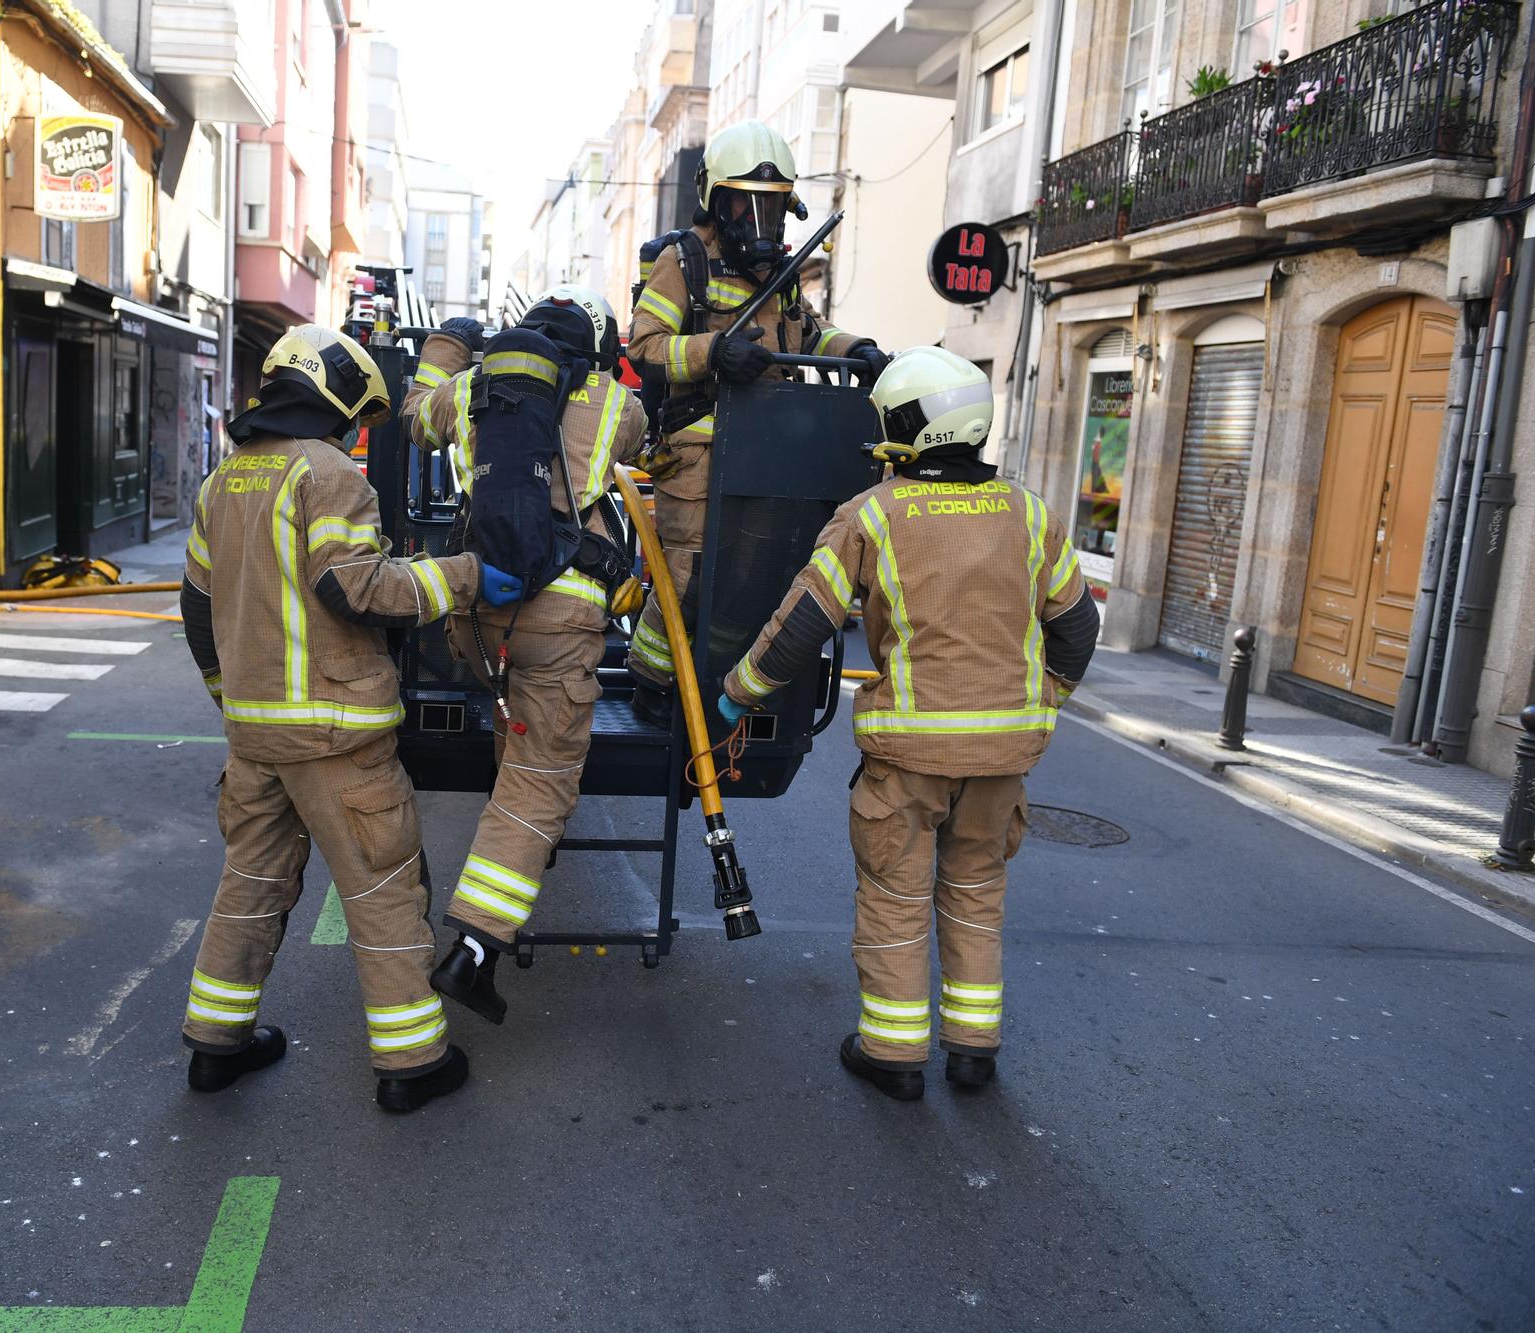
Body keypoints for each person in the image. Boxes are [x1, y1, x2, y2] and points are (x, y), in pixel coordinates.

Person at [716, 347, 1100, 1101]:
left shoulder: (875, 515)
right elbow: (1078, 628)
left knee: (896, 893)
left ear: (909, 428)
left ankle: (893, 1054)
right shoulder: (1030, 514)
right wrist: (1044, 696)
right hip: (1003, 759)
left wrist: (739, 691)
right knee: (977, 889)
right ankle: (972, 1050)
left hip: (911, 758)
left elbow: (802, 626)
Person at [178, 324, 525, 1113]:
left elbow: (198, 609)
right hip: (335, 734)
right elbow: (355, 587)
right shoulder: (329, 474)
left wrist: (227, 697)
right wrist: (464, 576)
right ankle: (413, 1062)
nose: (348, 434)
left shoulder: (222, 482)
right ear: (332, 399)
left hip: (255, 734)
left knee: (250, 883)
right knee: (382, 888)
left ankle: (214, 1046)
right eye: (350, 418)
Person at [402, 287, 645, 1023]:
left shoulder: (471, 388)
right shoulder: (612, 402)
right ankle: (475, 951)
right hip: (559, 620)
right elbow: (640, 447)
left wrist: (447, 349)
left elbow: (413, 419)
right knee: (538, 788)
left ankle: (518, 839)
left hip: (474, 620)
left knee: (521, 742)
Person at [624, 118, 891, 728]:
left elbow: (813, 333)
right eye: (745, 207)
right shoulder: (683, 261)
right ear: (714, 202)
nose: (759, 224)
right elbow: (643, 345)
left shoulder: (782, 275)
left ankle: (721, 679)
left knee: (755, 576)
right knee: (690, 577)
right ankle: (652, 683)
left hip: (770, 453)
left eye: (771, 209)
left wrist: (859, 350)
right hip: (699, 451)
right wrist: (713, 353)